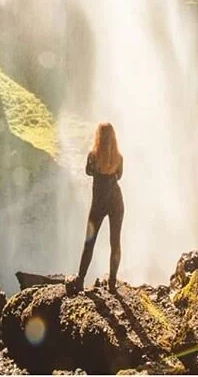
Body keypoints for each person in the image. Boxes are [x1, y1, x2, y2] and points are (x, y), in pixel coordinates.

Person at [74, 122, 124, 293]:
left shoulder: (93, 157)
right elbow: (119, 176)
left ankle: (80, 280)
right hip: (116, 202)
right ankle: (112, 283)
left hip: (98, 204)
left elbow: (88, 172)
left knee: (89, 242)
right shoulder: (119, 157)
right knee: (115, 242)